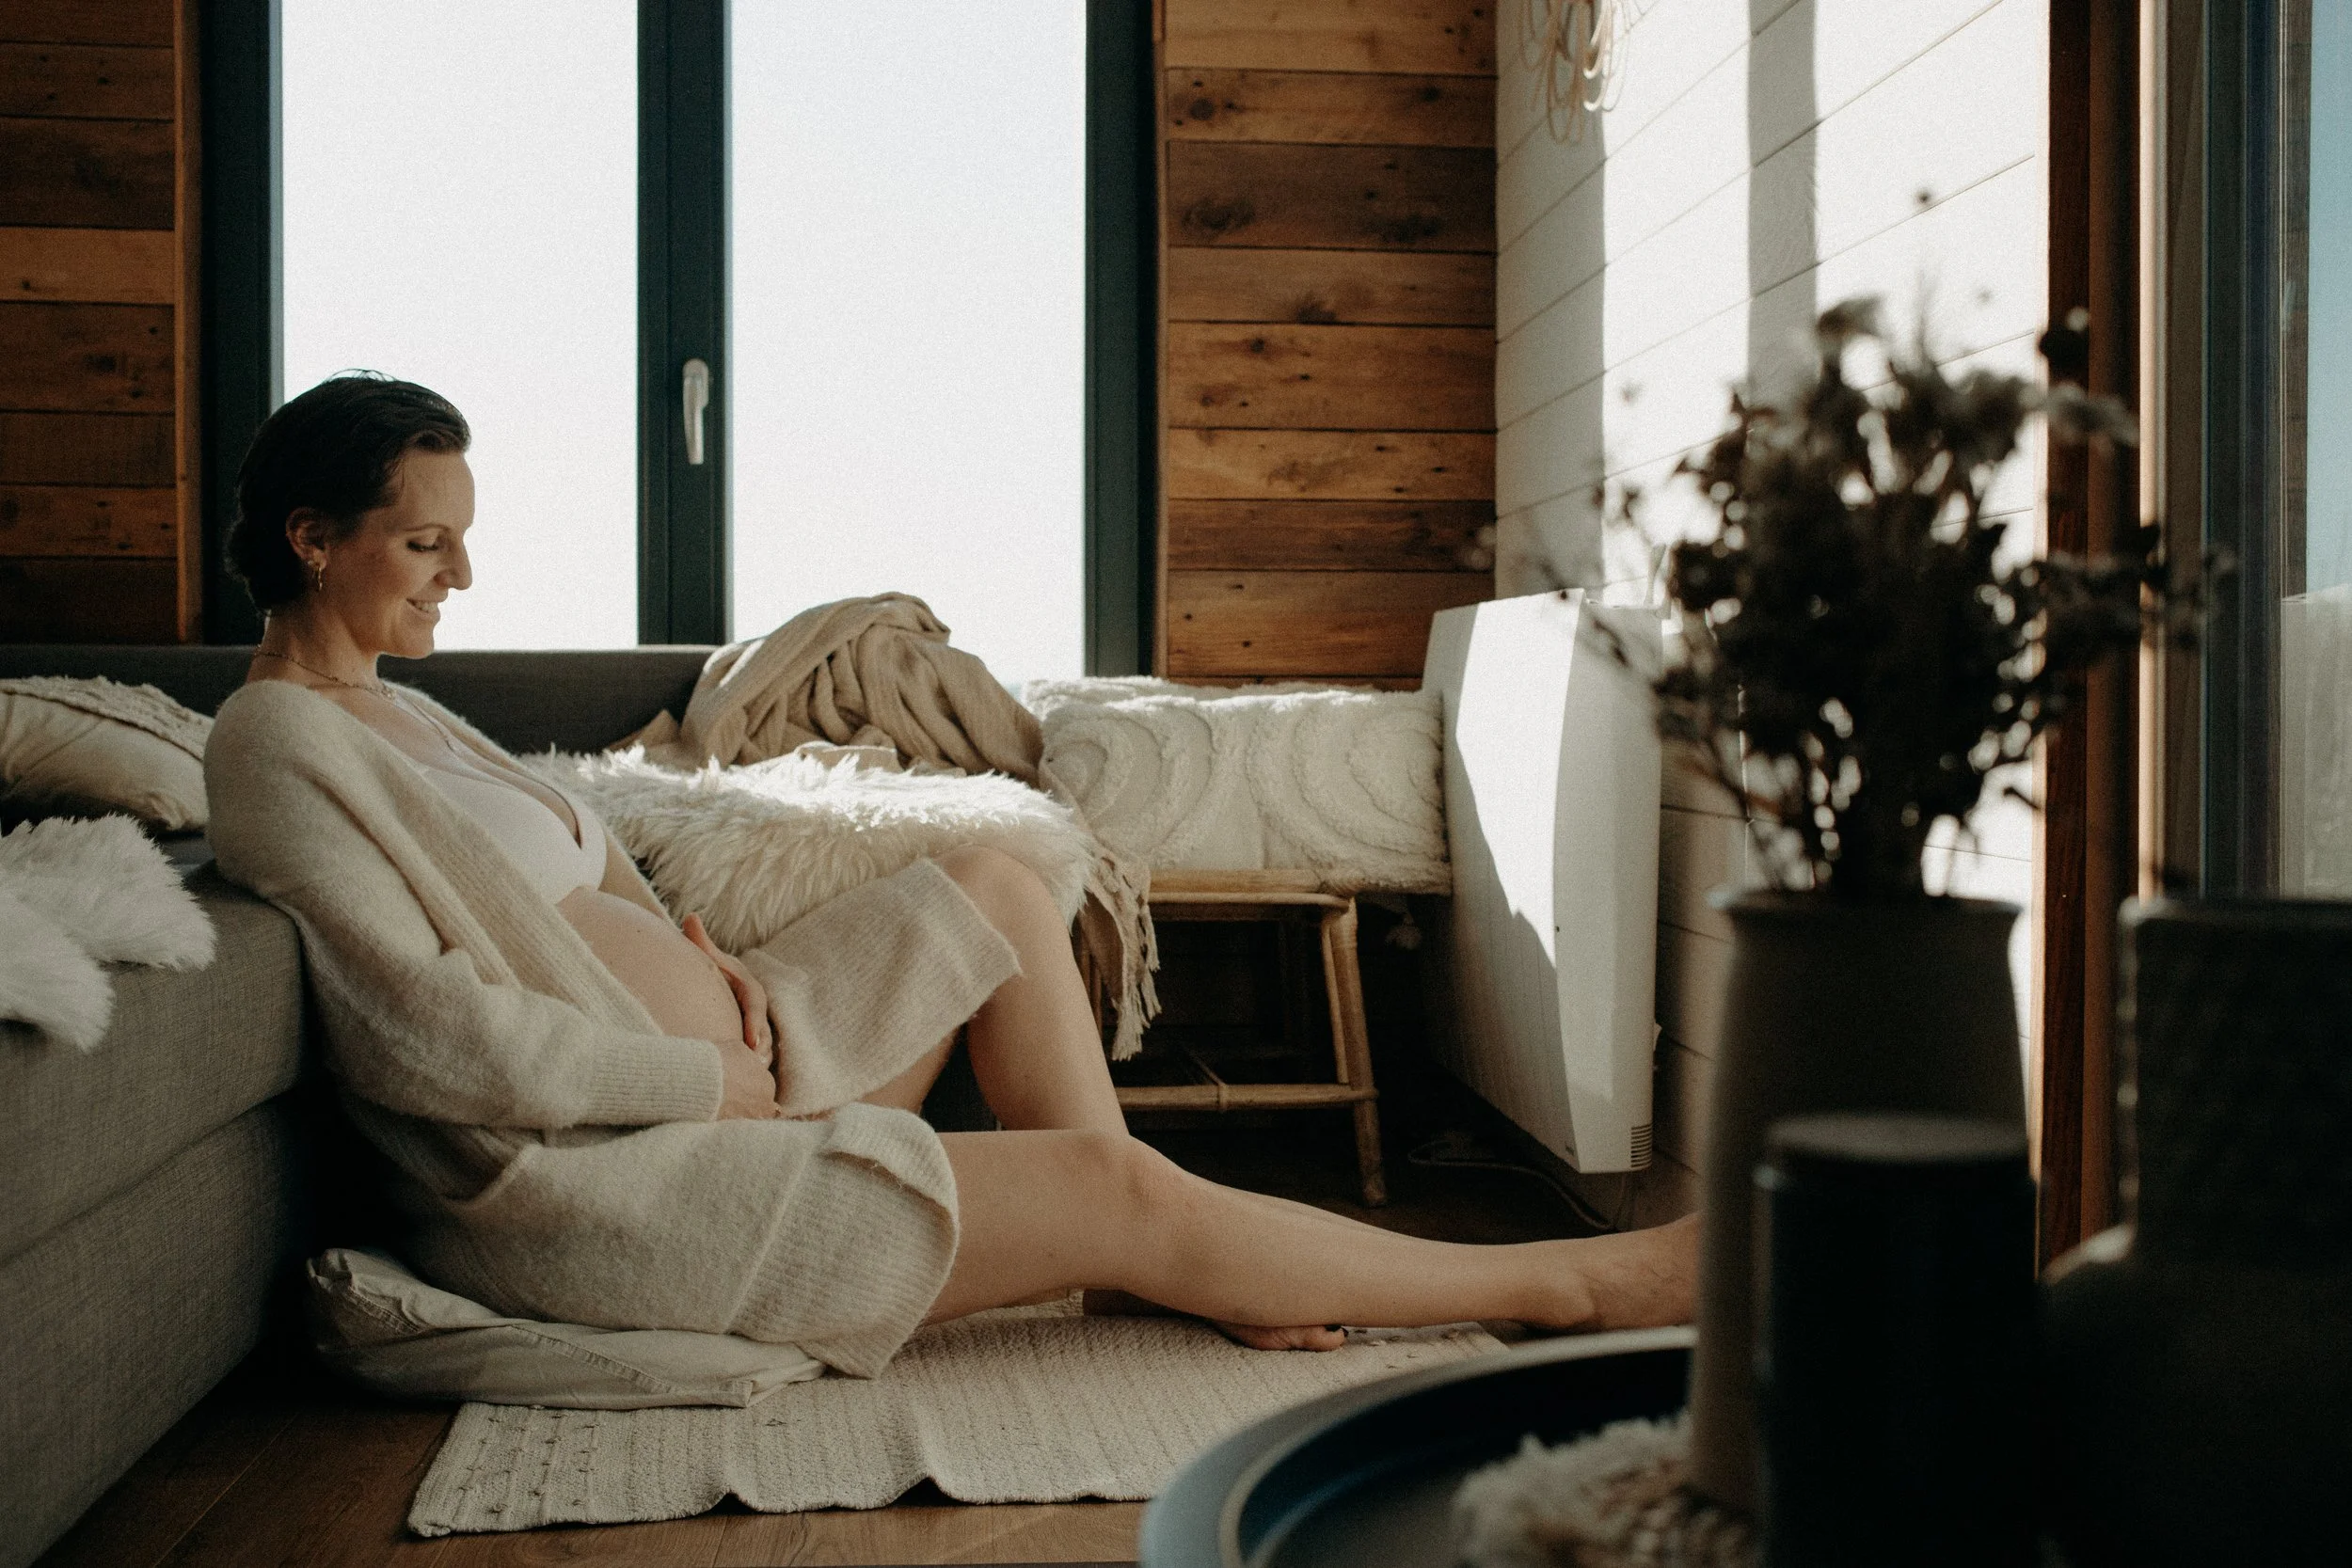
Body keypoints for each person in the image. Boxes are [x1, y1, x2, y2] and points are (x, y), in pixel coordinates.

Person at [204, 372, 1697, 1376]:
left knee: (993, 880)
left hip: (740, 1071)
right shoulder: (275, 742)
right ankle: (1567, 1286)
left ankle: (1151, 1257)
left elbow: (583, 897)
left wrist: (703, 963)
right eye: (426, 541)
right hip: (618, 1184)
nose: (461, 574)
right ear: (312, 538)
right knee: (1108, 1181)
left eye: (462, 539)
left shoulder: (404, 712)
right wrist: (698, 1076)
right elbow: (424, 1039)